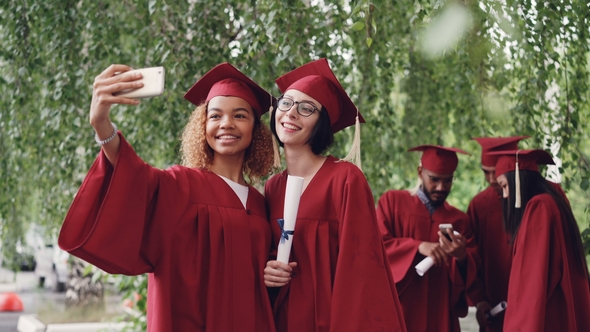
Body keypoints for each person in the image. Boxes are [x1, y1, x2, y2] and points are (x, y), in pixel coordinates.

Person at [58, 63, 278, 331]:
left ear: (256, 128)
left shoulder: (260, 203)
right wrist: (101, 124)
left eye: (240, 116)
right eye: (215, 116)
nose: (226, 124)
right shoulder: (181, 186)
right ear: (203, 126)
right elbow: (134, 176)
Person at [262, 58, 407, 332]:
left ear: (322, 123)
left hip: (332, 319)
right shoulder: (272, 187)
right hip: (285, 320)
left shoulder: (345, 179)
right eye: (286, 103)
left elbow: (363, 267)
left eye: (307, 108)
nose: (291, 113)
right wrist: (269, 268)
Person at [376, 145, 479, 332]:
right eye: (434, 179)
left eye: (448, 181)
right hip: (402, 309)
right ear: (420, 172)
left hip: (440, 314)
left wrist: (462, 257)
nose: (441, 187)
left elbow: (473, 271)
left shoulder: (460, 220)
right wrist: (417, 247)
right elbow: (375, 248)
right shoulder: (392, 202)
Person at [488, 149, 590, 332]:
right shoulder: (555, 200)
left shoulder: (540, 208)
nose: (504, 195)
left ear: (517, 180)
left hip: (547, 320)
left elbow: (531, 285)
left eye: (504, 186)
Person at [466, 136, 529, 332]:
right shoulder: (480, 205)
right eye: (486, 173)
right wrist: (479, 300)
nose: (492, 179)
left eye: (496, 173)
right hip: (496, 307)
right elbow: (472, 257)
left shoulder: (537, 200)